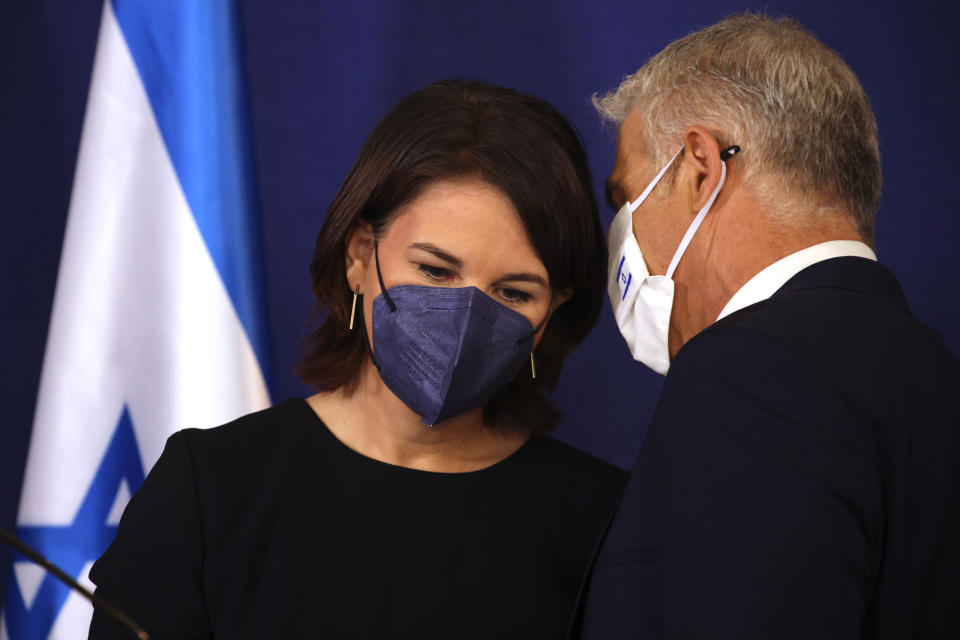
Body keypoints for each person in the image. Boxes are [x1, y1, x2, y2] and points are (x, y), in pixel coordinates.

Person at [88, 80, 626, 639]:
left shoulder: (608, 521)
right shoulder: (210, 487)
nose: (465, 314)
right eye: (435, 271)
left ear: (552, 313)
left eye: (513, 293)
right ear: (359, 256)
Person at [571, 13, 960, 640]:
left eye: (624, 199)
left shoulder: (749, 373)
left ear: (700, 167)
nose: (619, 234)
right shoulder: (932, 369)